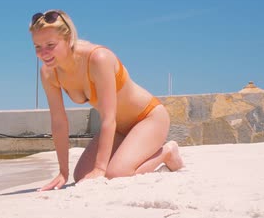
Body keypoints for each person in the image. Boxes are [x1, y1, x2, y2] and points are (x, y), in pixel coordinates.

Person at [29, 10, 184, 190]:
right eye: (37, 47)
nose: (43, 53)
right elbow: (59, 122)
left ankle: (167, 152)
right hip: (118, 128)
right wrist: (63, 172)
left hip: (148, 118)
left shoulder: (98, 58)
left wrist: (100, 168)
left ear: (69, 38)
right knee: (80, 177)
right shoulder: (49, 73)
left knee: (115, 174)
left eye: (50, 44)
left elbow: (108, 117)